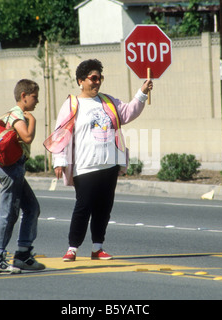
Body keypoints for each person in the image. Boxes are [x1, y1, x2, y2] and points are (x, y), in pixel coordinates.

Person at [50, 59, 153, 262]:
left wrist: (142, 92)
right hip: (85, 166)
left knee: (104, 208)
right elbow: (60, 133)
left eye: (100, 78)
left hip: (109, 164)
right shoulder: (73, 104)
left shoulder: (108, 101)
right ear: (81, 80)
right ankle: (72, 248)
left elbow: (128, 112)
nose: (97, 82)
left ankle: (98, 247)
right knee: (83, 206)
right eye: (93, 78)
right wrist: (59, 160)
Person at [0, 79, 45, 274]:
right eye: (34, 97)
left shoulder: (13, 114)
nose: (37, 101)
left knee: (31, 208)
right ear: (24, 96)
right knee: (8, 213)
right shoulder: (18, 115)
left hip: (13, 168)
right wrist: (33, 121)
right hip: (11, 170)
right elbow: (27, 137)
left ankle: (22, 256)